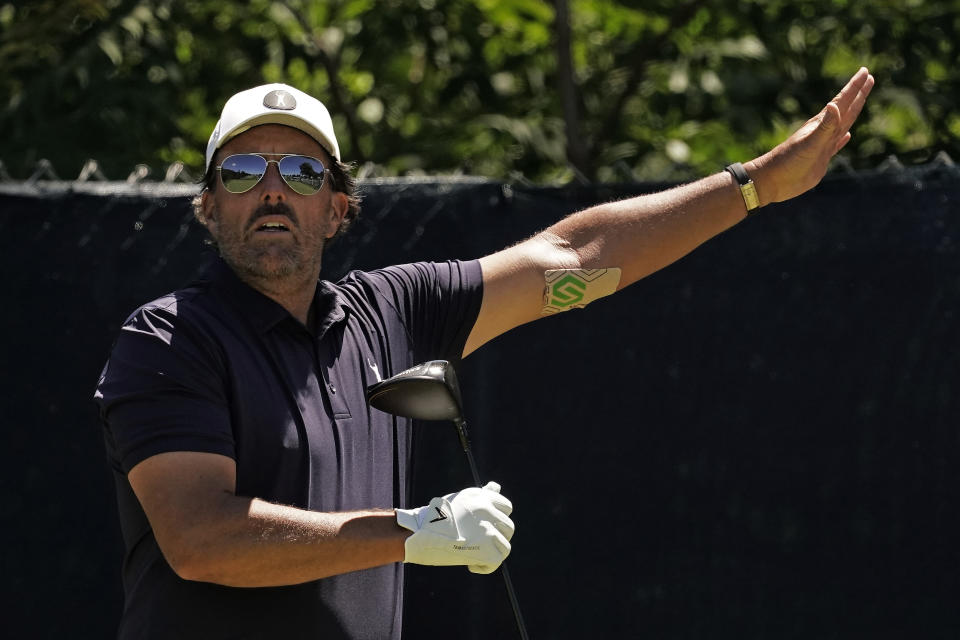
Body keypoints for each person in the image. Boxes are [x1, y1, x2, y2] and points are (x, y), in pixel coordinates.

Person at [94, 68, 874, 639]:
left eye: (300, 171)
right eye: (242, 170)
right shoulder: (169, 338)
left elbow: (576, 254)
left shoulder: (388, 313)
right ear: (208, 204)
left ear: (335, 208)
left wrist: (754, 187)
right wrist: (410, 531)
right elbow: (199, 541)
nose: (272, 189)